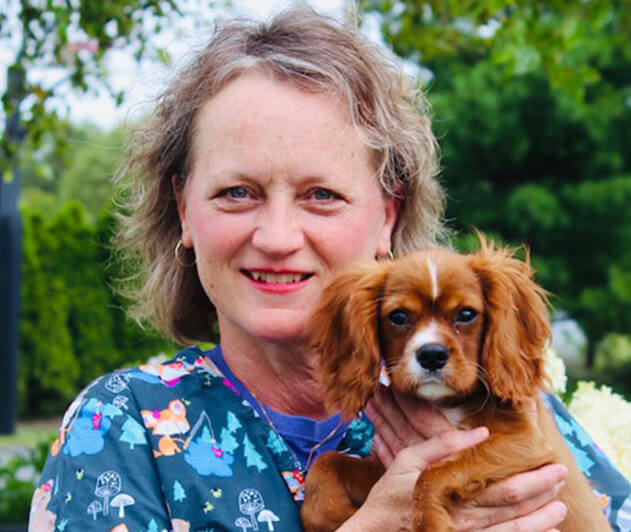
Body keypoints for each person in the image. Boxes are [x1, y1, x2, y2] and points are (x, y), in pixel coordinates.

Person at [29, 6, 630, 532]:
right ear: (184, 209)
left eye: (322, 195)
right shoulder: (123, 427)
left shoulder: (503, 405)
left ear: (387, 217)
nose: (278, 237)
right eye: (237, 192)